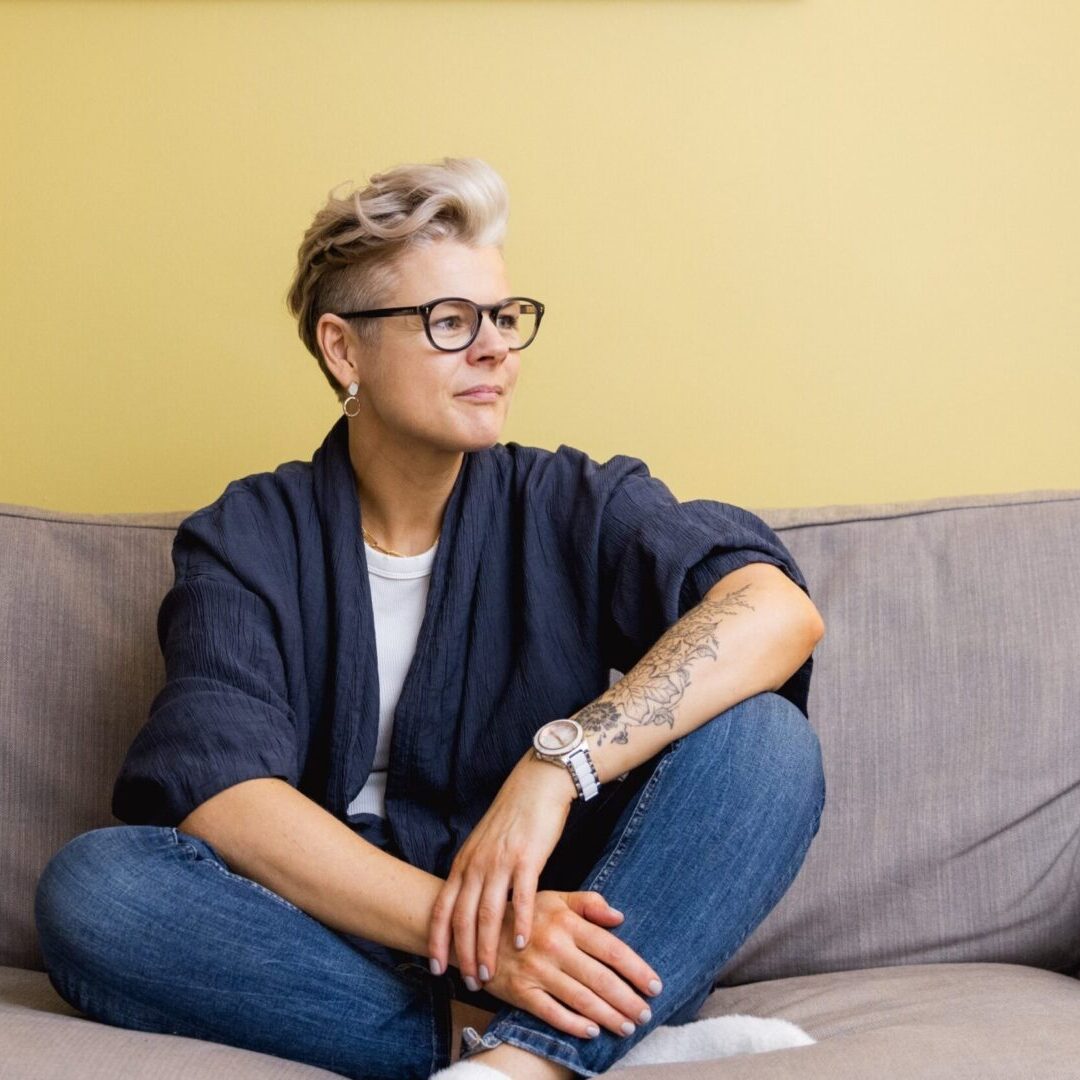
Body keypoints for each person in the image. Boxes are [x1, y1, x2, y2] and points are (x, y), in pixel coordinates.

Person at [34, 158, 827, 1080]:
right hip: (351, 942)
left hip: (584, 915)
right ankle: (579, 1043)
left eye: (505, 318)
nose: (496, 349)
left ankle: (520, 1065)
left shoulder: (572, 498)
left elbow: (774, 609)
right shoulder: (246, 536)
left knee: (768, 742)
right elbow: (227, 797)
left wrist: (556, 765)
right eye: (450, 322)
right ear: (344, 349)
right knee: (94, 891)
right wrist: (488, 944)